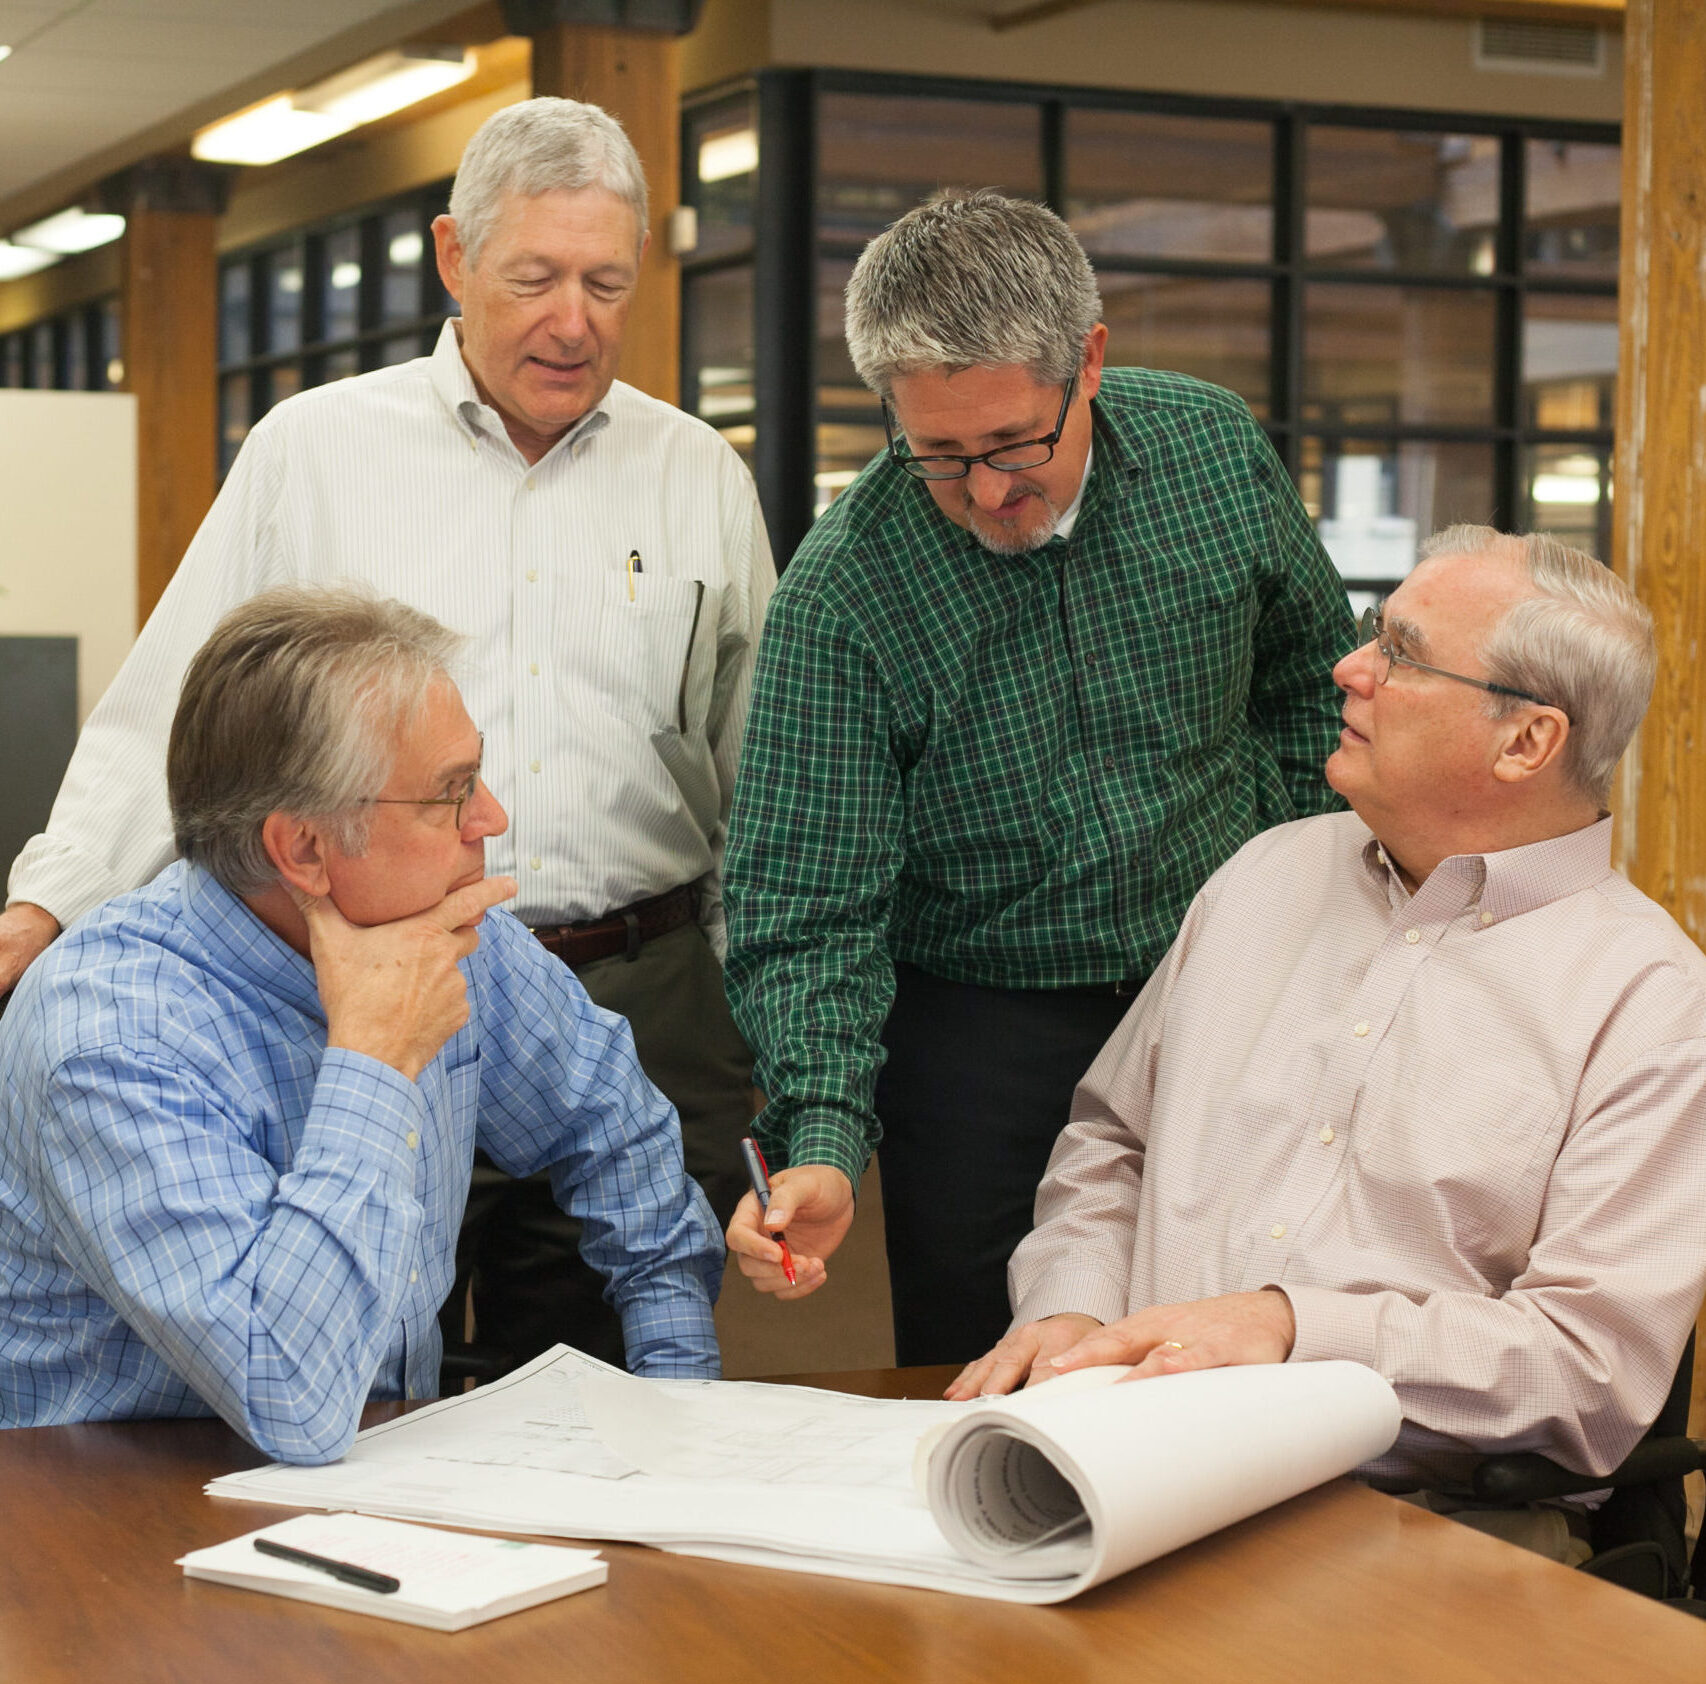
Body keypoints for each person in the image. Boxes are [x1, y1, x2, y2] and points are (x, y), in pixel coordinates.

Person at [0, 98, 773, 1375]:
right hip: (363, 967)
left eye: (603, 282)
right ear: (454, 258)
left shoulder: (696, 473)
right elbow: (179, 708)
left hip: (639, 980)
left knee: (591, 1376)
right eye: (533, 277)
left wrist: (761, 1024)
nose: (571, 319)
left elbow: (759, 770)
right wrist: (47, 907)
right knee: (354, 1333)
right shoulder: (319, 449)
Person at [949, 528, 1706, 1560]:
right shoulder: (1262, 875)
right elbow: (1110, 1141)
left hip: (1427, 1533)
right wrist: (1072, 1306)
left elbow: (1585, 1369)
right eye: (1369, 634)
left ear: (1524, 741)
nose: (1347, 668)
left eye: (1400, 651)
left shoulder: (1648, 999)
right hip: (1128, 1468)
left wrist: (1291, 1328)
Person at [723, 189, 1354, 1364]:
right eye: (938, 456)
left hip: (1226, 981)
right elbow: (806, 909)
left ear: (1091, 363)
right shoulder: (846, 595)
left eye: (1015, 444)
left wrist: (1295, 900)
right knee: (1000, 1360)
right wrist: (817, 1131)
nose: (988, 491)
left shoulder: (1210, 456)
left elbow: (1311, 691)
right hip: (982, 1035)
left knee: (1235, 1313)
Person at [0, 587, 722, 1464]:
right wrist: (373, 1059)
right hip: (112, 1515)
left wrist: (682, 1391)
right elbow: (293, 1401)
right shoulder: (107, 1035)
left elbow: (614, 1127)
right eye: (452, 793)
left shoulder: (451, 935)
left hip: (377, 1483)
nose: (492, 819)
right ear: (303, 849)